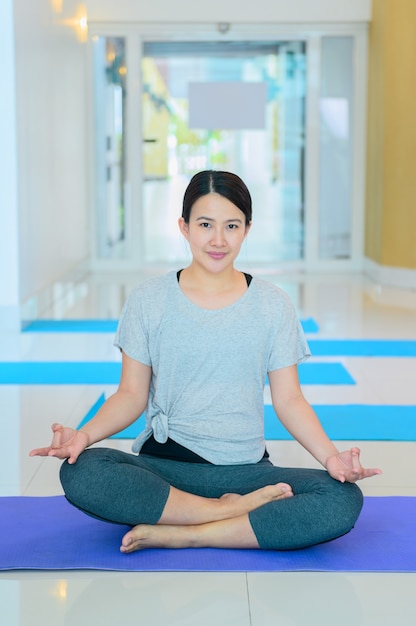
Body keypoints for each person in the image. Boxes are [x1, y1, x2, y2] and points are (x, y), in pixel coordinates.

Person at [30, 170, 381, 553]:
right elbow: (131, 394)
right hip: (164, 469)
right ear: (184, 227)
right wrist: (84, 435)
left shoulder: (272, 303)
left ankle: (187, 531)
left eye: (231, 225)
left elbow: (290, 400)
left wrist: (332, 459)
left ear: (247, 228)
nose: (218, 240)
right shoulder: (149, 300)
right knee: (82, 470)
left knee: (341, 498)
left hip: (246, 471)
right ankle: (224, 514)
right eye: (205, 225)